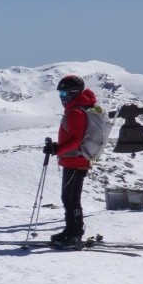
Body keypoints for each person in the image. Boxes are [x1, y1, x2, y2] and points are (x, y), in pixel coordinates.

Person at [44, 74, 96, 248]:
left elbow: (76, 140)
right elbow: (73, 139)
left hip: (76, 161)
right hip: (74, 160)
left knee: (71, 199)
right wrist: (57, 147)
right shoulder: (77, 109)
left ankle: (74, 234)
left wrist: (56, 149)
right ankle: (70, 231)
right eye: (61, 95)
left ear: (73, 93)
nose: (62, 98)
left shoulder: (76, 112)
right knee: (69, 198)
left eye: (64, 94)